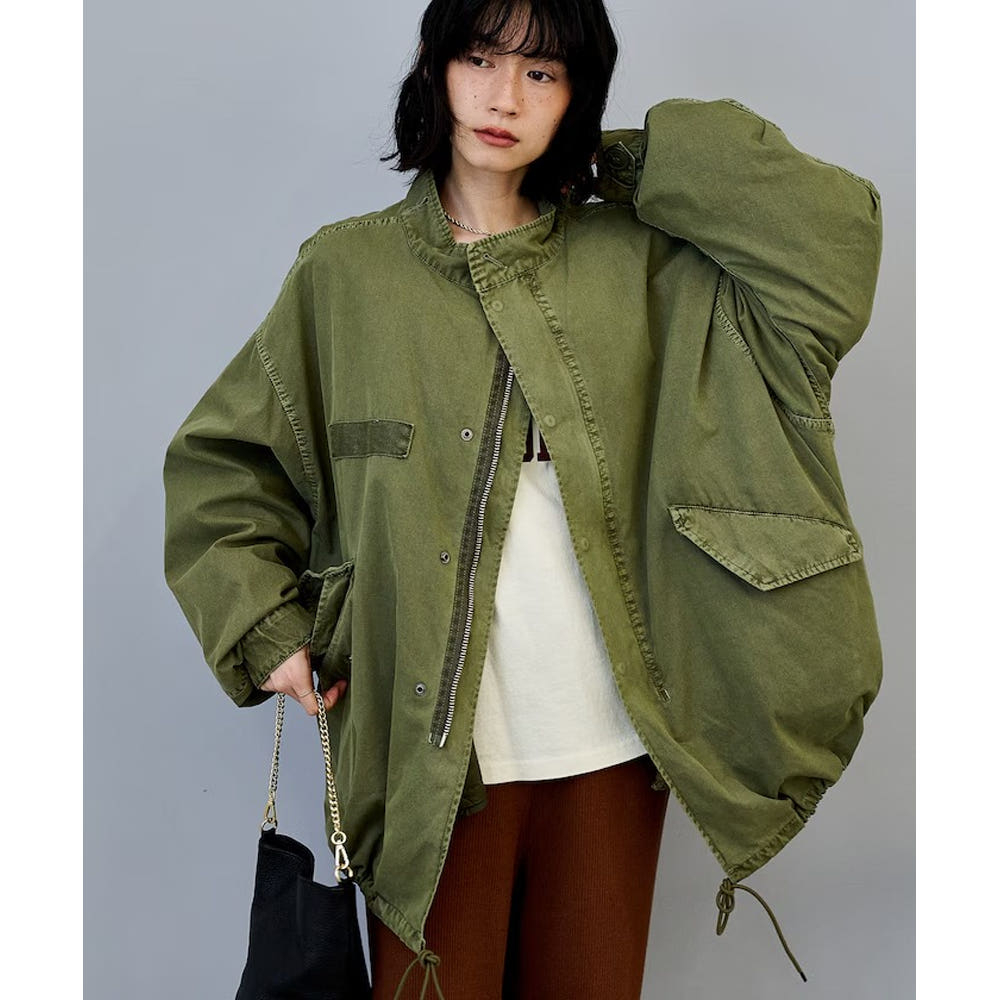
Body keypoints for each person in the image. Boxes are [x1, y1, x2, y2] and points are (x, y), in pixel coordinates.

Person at [162, 1, 884, 997]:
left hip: (613, 744)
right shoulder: (348, 273)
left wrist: (614, 162)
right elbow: (221, 466)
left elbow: (834, 244)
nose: (504, 98)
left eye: (542, 74)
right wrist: (264, 627)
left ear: (577, 94)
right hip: (425, 758)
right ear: (434, 68)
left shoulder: (645, 262)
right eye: (480, 60)